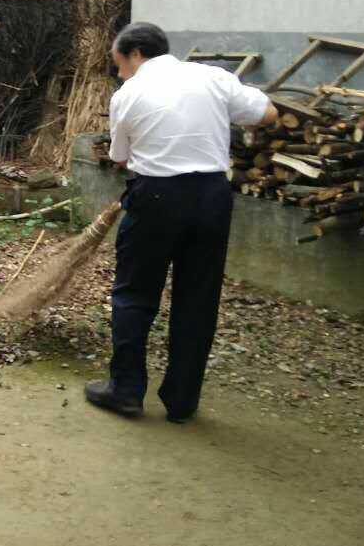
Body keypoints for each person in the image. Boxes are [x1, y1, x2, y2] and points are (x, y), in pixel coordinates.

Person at [84, 22, 278, 424]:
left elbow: (120, 157)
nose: (119, 72)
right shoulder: (212, 78)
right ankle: (182, 400)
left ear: (135, 53)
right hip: (211, 197)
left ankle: (126, 391)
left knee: (135, 294)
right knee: (198, 298)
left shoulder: (129, 94)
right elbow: (268, 112)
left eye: (119, 63)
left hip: (155, 197)